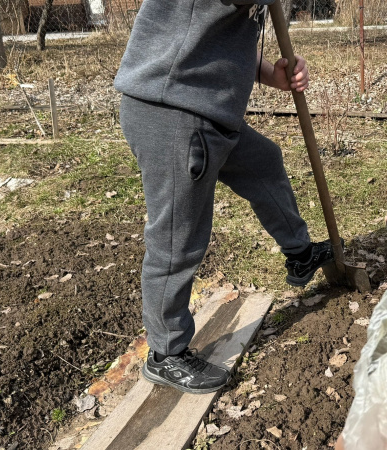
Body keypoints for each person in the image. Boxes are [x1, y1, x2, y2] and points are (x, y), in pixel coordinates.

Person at [114, 0, 334, 395]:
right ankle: (166, 353)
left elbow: (214, 41)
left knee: (263, 162)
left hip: (207, 109)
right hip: (173, 111)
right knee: (177, 238)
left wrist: (271, 74)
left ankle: (300, 255)